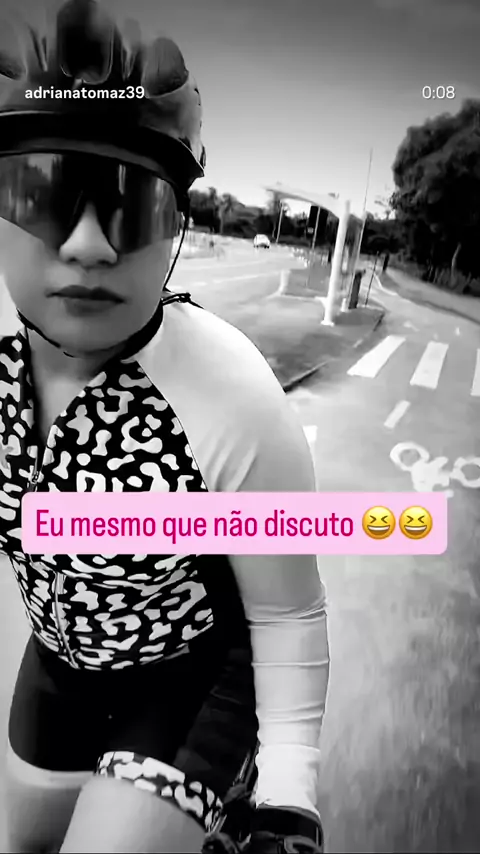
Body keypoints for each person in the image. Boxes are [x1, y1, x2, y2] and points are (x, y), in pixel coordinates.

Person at [0, 2, 330, 852]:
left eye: (134, 205)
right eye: (43, 193)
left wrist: (291, 795)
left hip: (193, 677)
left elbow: (289, 614)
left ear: (177, 226)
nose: (89, 245)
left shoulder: (233, 393)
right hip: (57, 666)